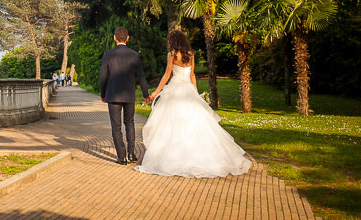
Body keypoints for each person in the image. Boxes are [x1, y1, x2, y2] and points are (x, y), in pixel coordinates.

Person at [135, 29, 252, 178]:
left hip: (175, 89)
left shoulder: (172, 54)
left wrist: (156, 92)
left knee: (171, 125)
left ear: (173, 41)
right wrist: (195, 93)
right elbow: (192, 75)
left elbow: (167, 75)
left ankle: (172, 158)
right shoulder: (190, 54)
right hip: (188, 90)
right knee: (195, 123)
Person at [99, 27, 149, 164]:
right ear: (127, 38)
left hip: (113, 95)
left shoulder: (108, 54)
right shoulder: (134, 55)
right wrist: (146, 94)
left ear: (114, 38)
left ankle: (121, 157)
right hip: (129, 95)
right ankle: (131, 154)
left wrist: (103, 93)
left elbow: (103, 76)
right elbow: (141, 76)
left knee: (116, 126)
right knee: (130, 123)